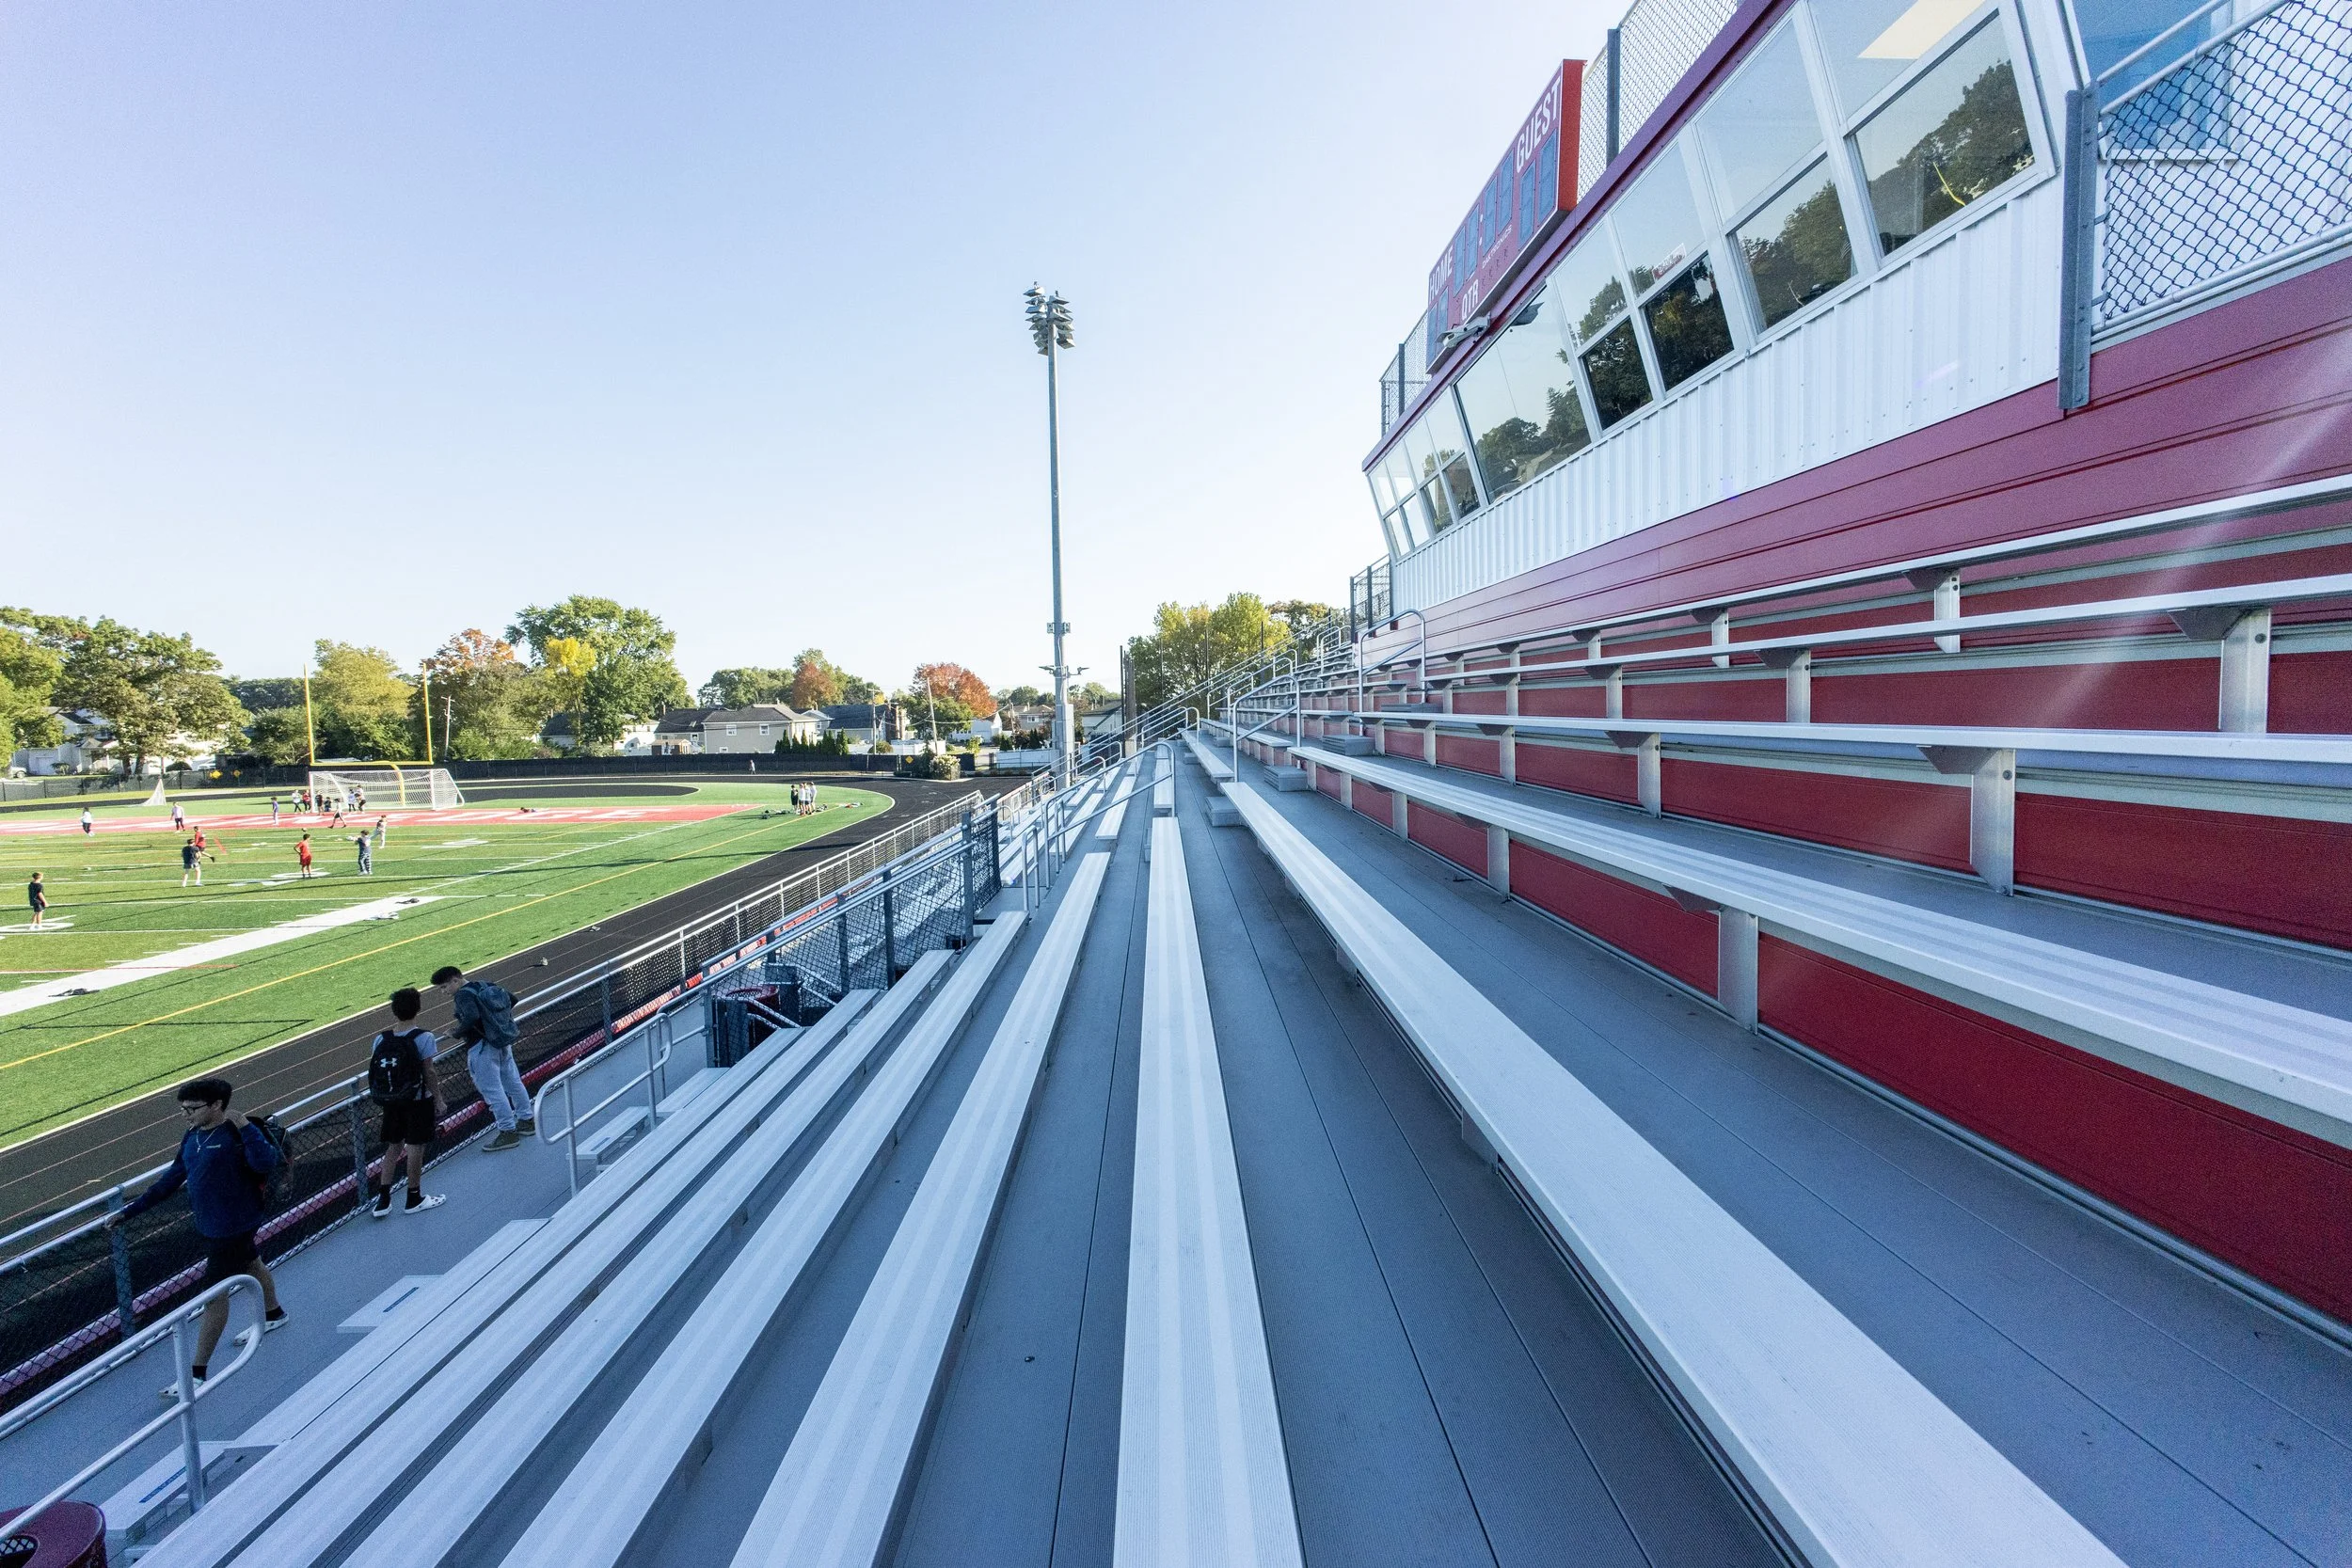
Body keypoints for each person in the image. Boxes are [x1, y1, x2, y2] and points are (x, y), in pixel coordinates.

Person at [107, 1077, 289, 1396]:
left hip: (234, 1225)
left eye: (192, 1108)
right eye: (183, 1110)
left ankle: (197, 1374)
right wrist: (130, 1211)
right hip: (212, 1224)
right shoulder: (192, 1136)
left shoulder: (236, 1132)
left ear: (217, 1105)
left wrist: (245, 1125)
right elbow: (173, 1178)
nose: (186, 1115)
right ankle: (274, 1313)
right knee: (252, 1264)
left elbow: (266, 1162)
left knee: (214, 1298)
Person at [433, 965, 532, 1150]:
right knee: (513, 1083)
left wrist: (456, 1032)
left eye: (445, 987)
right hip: (501, 1041)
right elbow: (512, 999)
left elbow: (471, 1016)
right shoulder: (485, 984)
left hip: (482, 1046)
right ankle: (526, 1121)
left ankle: (507, 1132)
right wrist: (498, 1022)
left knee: (492, 1090)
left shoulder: (463, 995)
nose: (443, 991)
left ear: (455, 980)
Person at [367, 988, 445, 1215]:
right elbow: (428, 1072)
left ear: (394, 1011)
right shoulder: (424, 1037)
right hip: (418, 1099)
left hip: (392, 1100)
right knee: (415, 1147)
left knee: (393, 1147)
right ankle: (414, 1197)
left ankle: (383, 1200)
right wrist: (439, 1099)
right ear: (418, 1009)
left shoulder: (381, 1039)